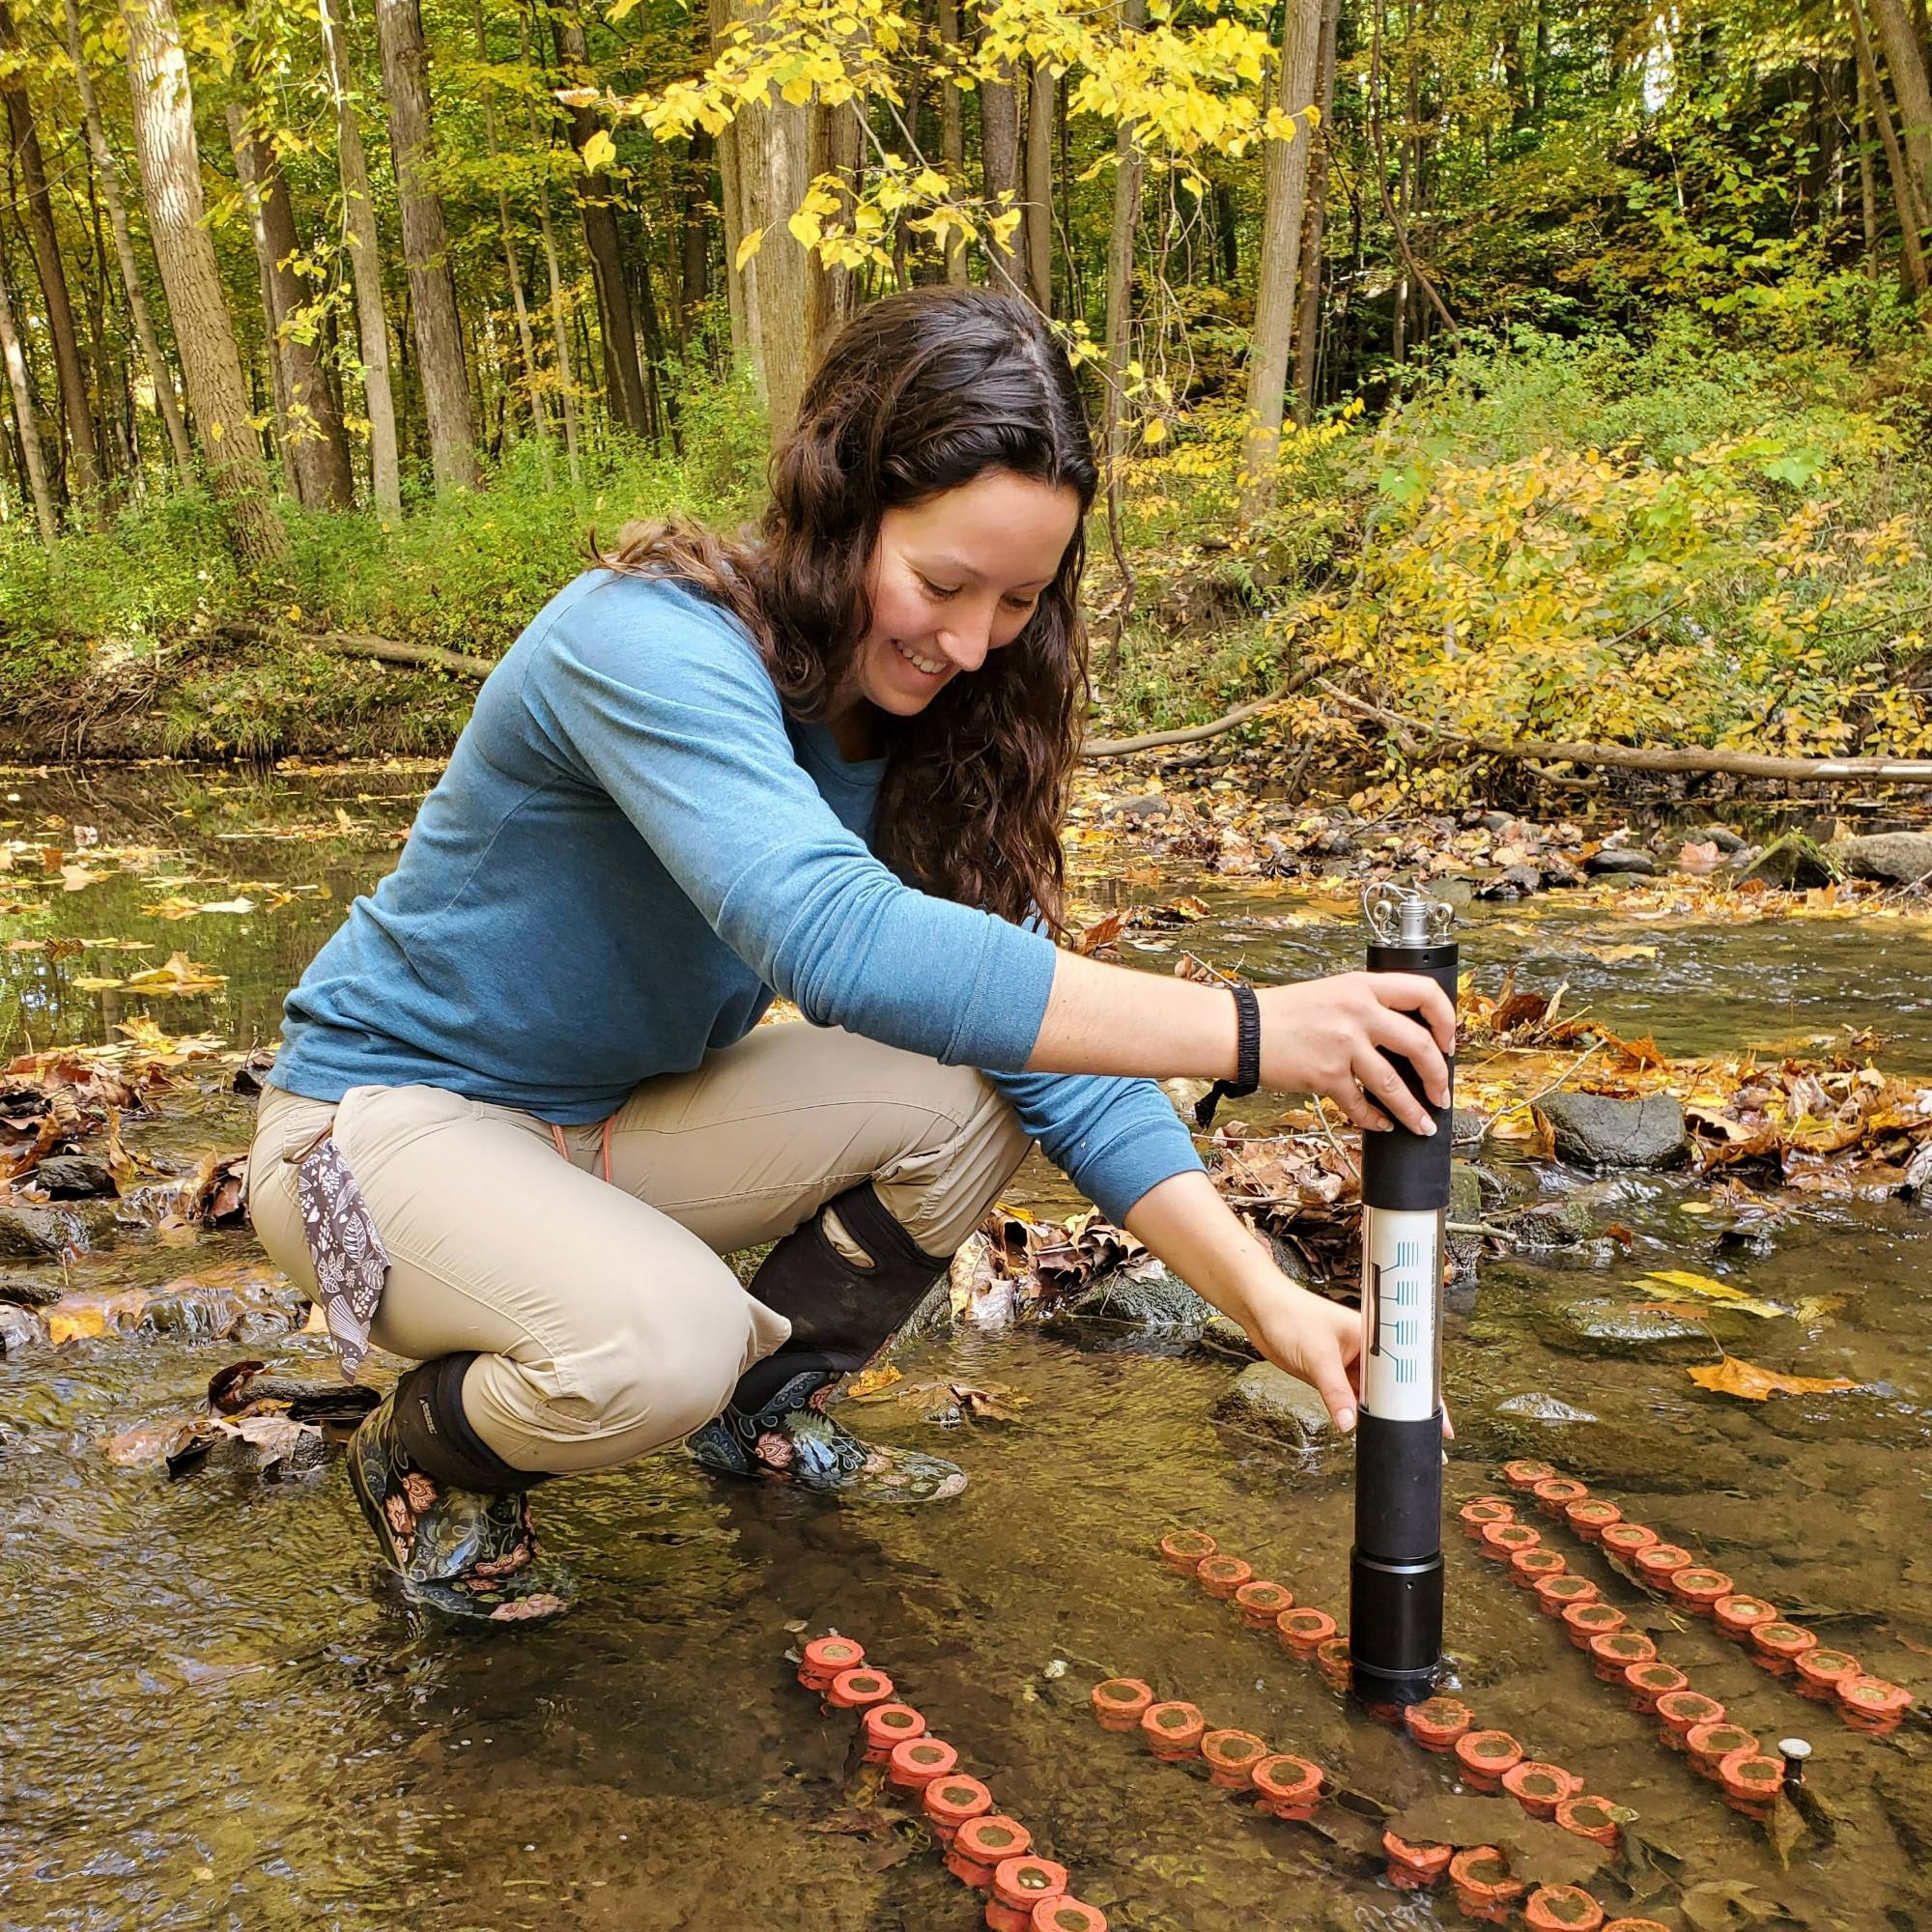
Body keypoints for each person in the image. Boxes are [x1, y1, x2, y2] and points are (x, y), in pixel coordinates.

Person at [247, 287, 1453, 1622]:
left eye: (1018, 601)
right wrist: (1252, 1030)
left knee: (981, 1074)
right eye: (940, 583)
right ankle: (423, 1455)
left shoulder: (928, 727)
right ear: (840, 508)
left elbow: (1052, 1052)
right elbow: (830, 936)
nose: (970, 642)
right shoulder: (639, 639)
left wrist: (1263, 1297)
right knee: (665, 1340)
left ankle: (759, 1415)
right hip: (373, 1137)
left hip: (606, 1128)